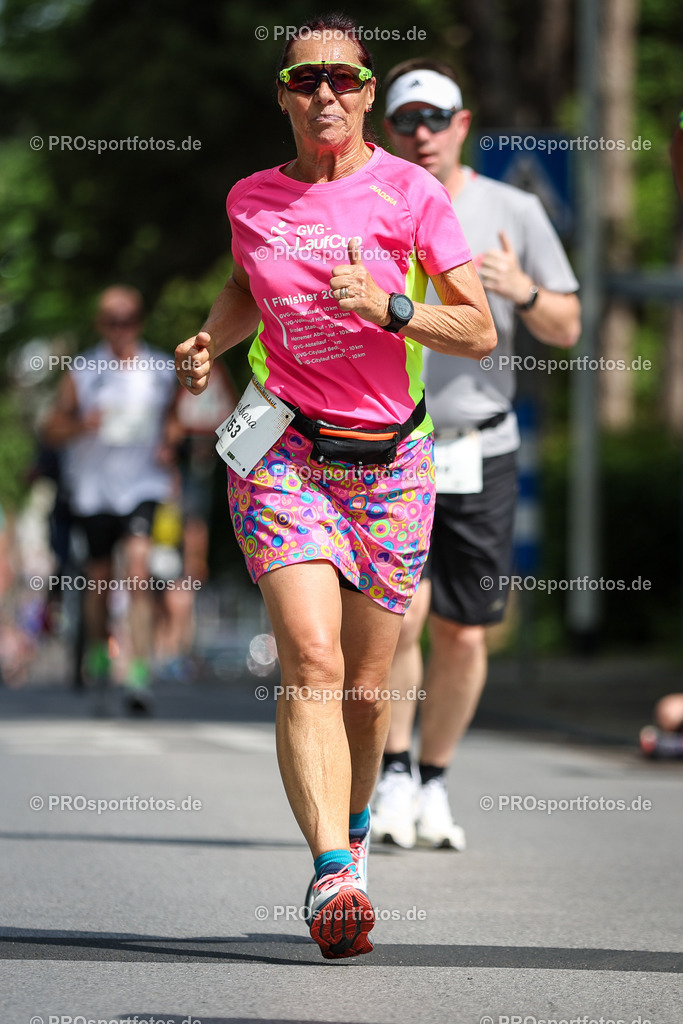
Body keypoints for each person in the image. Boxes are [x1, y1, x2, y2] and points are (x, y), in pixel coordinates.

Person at [175, 16, 495, 959]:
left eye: (342, 80)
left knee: (365, 690)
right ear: (283, 93)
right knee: (309, 660)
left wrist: (391, 307)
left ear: (364, 93)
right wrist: (207, 339)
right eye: (304, 78)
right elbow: (247, 288)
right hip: (283, 457)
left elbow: (476, 330)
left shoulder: (411, 193)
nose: (324, 95)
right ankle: (328, 873)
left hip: (392, 467)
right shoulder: (252, 198)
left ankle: (353, 835)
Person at [373, 59, 581, 850]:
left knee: (463, 631)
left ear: (463, 126)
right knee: (402, 614)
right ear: (387, 131)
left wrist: (521, 289)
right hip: (394, 444)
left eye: (436, 119)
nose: (421, 134)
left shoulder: (512, 208)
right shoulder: (372, 206)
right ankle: (391, 770)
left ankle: (432, 779)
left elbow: (567, 327)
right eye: (405, 121)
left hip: (481, 446)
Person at [43, 285, 178, 713]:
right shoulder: (83, 370)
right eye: (112, 321)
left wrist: (169, 443)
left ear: (139, 320)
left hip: (143, 485)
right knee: (99, 580)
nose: (122, 329)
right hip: (94, 489)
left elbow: (177, 419)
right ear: (101, 324)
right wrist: (83, 424)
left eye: (130, 319)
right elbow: (52, 430)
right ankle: (101, 660)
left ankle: (138, 674)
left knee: (138, 572)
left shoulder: (160, 368)